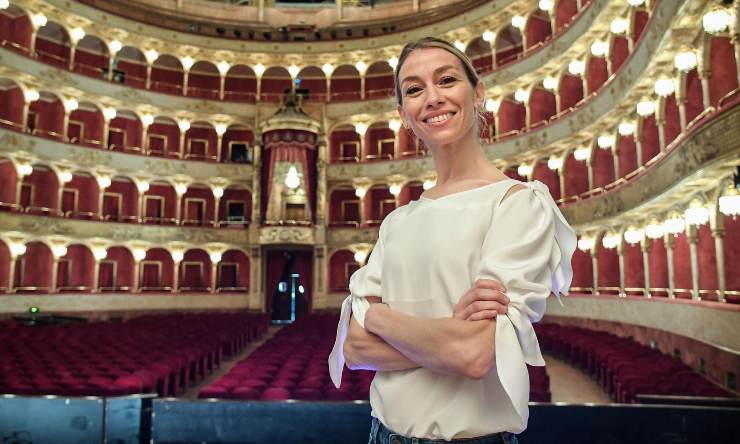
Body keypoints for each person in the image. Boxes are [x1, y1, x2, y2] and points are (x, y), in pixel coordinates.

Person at [328, 37, 576, 444]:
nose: (432, 98)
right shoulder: (396, 222)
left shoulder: (518, 204)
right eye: (413, 89)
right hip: (381, 434)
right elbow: (354, 349)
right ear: (404, 115)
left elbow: (474, 356)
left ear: (477, 93)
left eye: (446, 80)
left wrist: (374, 317)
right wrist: (446, 339)